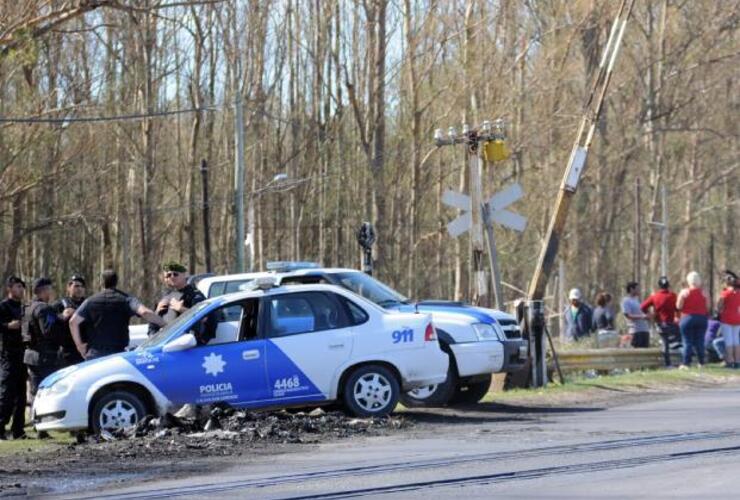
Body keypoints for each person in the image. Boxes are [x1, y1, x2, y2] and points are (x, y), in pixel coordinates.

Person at [69, 270, 165, 360]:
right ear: (116, 282)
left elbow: (73, 322)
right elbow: (145, 312)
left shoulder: (90, 301)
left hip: (95, 354)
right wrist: (167, 325)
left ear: (101, 283)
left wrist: (80, 346)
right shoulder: (126, 299)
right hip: (118, 354)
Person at [22, 278, 62, 410]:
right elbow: (49, 331)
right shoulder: (44, 308)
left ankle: (35, 421)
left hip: (30, 355)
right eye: (50, 290)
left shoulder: (27, 307)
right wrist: (61, 319)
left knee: (35, 390)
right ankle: (43, 422)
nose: (51, 293)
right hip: (44, 357)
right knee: (47, 390)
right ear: (44, 291)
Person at [0, 277, 27, 440]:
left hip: (23, 354)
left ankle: (18, 430)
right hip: (8, 355)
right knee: (6, 393)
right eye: (18, 287)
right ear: (10, 289)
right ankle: (1, 427)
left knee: (21, 395)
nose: (21, 290)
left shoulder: (24, 307)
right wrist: (7, 326)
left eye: (22, 287)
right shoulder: (3, 306)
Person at [148, 262, 205, 336]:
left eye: (175, 274)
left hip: (186, 340)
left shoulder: (194, 295)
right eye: (168, 275)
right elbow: (152, 328)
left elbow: (204, 318)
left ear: (184, 275)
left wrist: (182, 309)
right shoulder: (163, 297)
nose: (172, 277)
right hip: (165, 340)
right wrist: (157, 312)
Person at [641, 276, 679, 366]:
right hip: (671, 324)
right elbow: (678, 308)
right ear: (668, 285)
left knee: (665, 344)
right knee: (680, 338)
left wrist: (650, 314)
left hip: (660, 324)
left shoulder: (654, 297)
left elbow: (642, 307)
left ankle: (668, 364)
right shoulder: (673, 296)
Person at [676, 271, 711, 368]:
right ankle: (701, 362)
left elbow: (678, 306)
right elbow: (708, 307)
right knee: (700, 341)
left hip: (687, 317)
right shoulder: (704, 292)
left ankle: (686, 363)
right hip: (701, 318)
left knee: (687, 341)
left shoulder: (684, 292)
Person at [51, 275, 87, 367]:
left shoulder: (88, 304)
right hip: (66, 351)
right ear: (68, 288)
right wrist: (61, 316)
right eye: (76, 286)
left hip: (84, 348)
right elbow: (49, 323)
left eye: (82, 286)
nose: (80, 289)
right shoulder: (59, 304)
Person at [717, 270, 740, 368]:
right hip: (737, 318)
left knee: (729, 341)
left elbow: (719, 306)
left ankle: (730, 361)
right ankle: (737, 361)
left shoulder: (725, 293)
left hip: (727, 319)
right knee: (736, 340)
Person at [621, 281, 650, 348]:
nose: (639, 290)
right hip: (635, 332)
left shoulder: (638, 300)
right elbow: (628, 315)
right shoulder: (626, 301)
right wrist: (642, 317)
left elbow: (644, 312)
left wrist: (648, 315)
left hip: (645, 330)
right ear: (631, 289)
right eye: (637, 288)